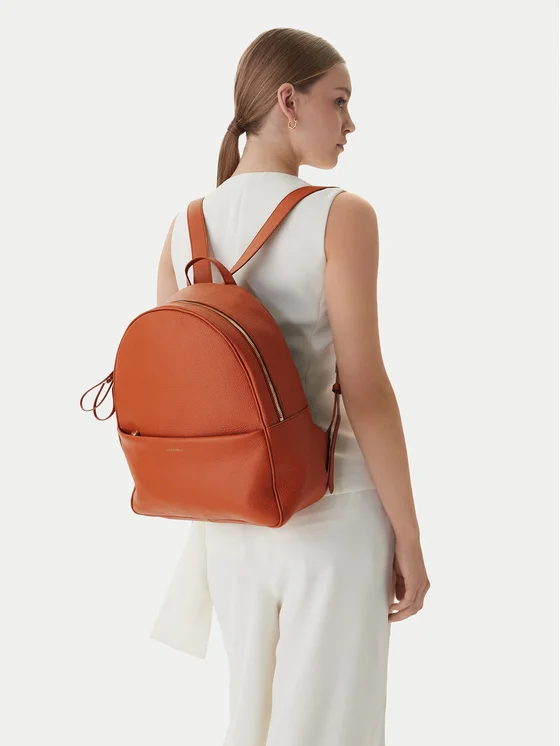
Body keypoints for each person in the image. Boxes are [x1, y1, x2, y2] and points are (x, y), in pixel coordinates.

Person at [151, 27, 430, 746]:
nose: (349, 123)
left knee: (253, 723)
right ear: (288, 101)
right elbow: (365, 388)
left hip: (229, 523)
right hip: (331, 510)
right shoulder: (341, 215)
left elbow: (180, 396)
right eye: (338, 101)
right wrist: (409, 537)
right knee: (333, 729)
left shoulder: (185, 228)